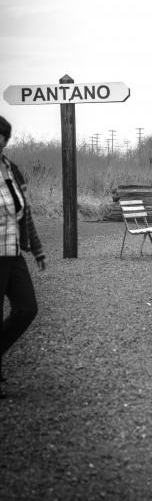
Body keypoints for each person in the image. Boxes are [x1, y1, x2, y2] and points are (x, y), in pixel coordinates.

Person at [0, 116, 46, 398]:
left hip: (13, 250)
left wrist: (38, 249)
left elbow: (24, 213)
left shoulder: (11, 168)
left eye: (2, 136)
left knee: (27, 307)